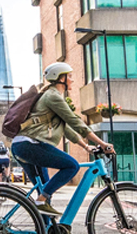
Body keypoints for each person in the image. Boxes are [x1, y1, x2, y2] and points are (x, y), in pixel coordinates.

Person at [11, 62, 114, 217]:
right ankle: (40, 201)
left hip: (23, 145)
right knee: (71, 166)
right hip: (30, 145)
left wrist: (86, 147)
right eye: (69, 76)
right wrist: (102, 143)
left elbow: (66, 128)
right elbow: (75, 122)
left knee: (45, 192)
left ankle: (45, 229)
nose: (72, 79)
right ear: (61, 78)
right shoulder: (53, 96)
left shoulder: (51, 97)